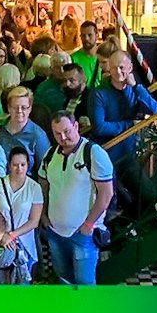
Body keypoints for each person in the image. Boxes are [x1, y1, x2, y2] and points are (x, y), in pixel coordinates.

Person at [37, 111, 114, 285]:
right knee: (64, 280)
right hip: (55, 232)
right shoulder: (50, 155)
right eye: (58, 133)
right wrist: (43, 215)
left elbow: (106, 193)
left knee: (84, 284)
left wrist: (88, 224)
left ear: (76, 126)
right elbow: (43, 185)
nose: (63, 137)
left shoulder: (94, 153)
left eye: (67, 131)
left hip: (82, 234)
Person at [0, 144, 42, 284]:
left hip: (24, 244)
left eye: (23, 165)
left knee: (22, 284)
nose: (19, 169)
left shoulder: (34, 188)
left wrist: (12, 235)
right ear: (9, 165)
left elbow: (34, 221)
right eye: (15, 165)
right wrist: (1, 235)